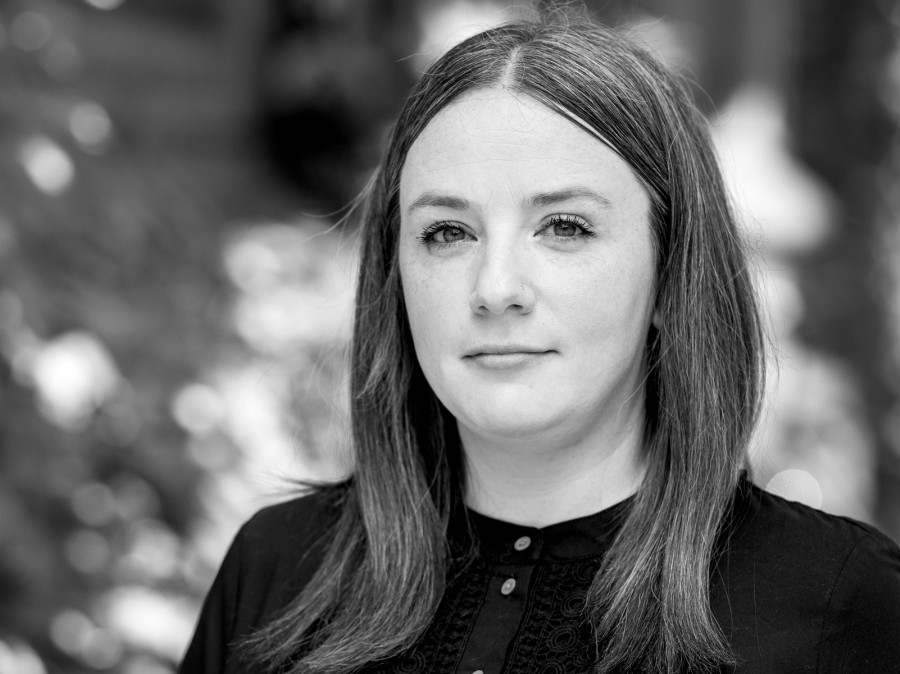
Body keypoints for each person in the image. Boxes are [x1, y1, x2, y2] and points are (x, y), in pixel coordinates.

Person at [179, 15, 900, 674]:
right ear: (395, 277)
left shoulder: (841, 603)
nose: (496, 288)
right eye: (447, 233)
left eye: (565, 227)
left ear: (670, 270)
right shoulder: (277, 571)